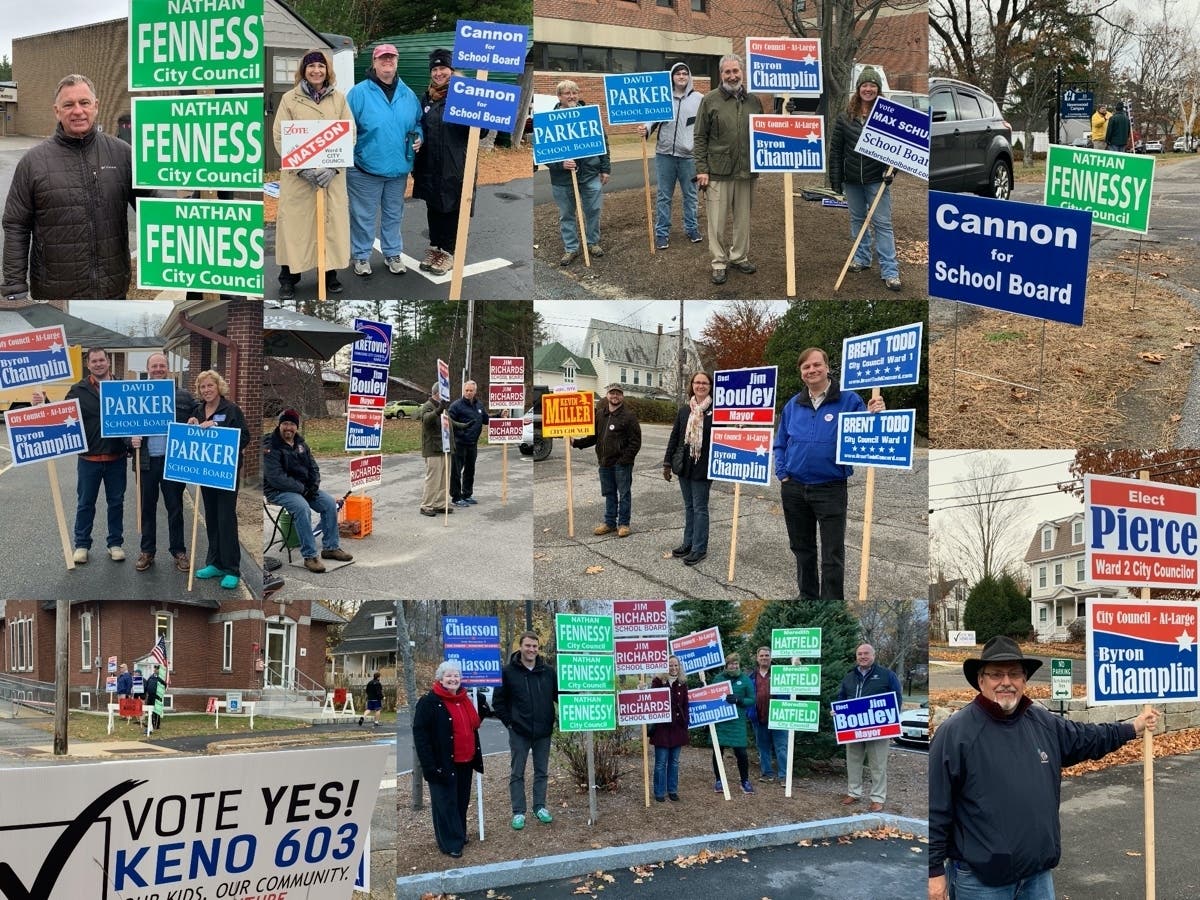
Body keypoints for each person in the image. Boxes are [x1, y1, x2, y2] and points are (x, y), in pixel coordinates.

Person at [929, 636, 1159, 900]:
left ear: (1024, 680)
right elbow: (935, 807)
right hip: (981, 882)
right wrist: (933, 872)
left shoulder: (1041, 722)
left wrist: (1133, 727)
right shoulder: (956, 733)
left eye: (1015, 673)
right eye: (996, 674)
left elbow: (1087, 737)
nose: (1006, 681)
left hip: (1037, 878)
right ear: (981, 680)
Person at [2, 74, 136, 301]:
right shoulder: (33, 162)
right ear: (57, 111)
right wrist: (15, 286)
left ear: (96, 106)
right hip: (54, 295)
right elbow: (16, 225)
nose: (77, 111)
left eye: (84, 103)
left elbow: (154, 201)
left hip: (112, 291)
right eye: (68, 104)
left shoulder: (123, 154)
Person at [773, 347, 885, 601]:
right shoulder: (793, 405)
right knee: (802, 549)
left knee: (832, 553)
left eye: (816, 365)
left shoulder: (848, 400)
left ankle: (832, 602)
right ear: (801, 373)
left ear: (826, 367)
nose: (812, 370)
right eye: (806, 367)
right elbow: (779, 442)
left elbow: (867, 433)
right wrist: (782, 473)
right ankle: (808, 597)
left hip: (831, 488)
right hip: (795, 488)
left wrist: (875, 412)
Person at [272, 49, 352, 301]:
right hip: (299, 180)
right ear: (303, 70)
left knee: (330, 226)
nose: (316, 70)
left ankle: (329, 275)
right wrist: (300, 168)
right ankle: (288, 278)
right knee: (294, 229)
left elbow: (349, 133)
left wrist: (334, 167)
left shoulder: (338, 99)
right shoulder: (290, 99)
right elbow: (280, 136)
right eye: (311, 66)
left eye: (321, 66)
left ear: (328, 70)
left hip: (331, 178)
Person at [345, 44, 423, 277]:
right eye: (383, 58)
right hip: (364, 169)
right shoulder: (358, 93)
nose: (387, 61)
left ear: (397, 61)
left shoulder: (408, 94)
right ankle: (360, 256)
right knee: (362, 216)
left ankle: (392, 253)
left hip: (398, 169)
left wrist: (420, 136)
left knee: (393, 214)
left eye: (391, 58)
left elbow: (418, 123)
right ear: (374, 62)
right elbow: (346, 128)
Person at [829, 67, 902, 291]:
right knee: (857, 220)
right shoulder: (844, 119)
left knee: (882, 224)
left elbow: (898, 150)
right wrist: (835, 178)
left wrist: (891, 173)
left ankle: (890, 271)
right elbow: (836, 151)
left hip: (876, 180)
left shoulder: (886, 118)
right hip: (851, 180)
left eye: (872, 85)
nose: (868, 89)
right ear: (858, 88)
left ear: (878, 89)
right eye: (864, 85)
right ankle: (861, 259)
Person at [693, 54, 763, 285]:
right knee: (717, 221)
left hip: (747, 170)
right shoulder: (710, 100)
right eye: (727, 72)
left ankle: (739, 256)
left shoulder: (754, 101)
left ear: (742, 72)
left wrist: (786, 111)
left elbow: (764, 132)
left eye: (736, 71)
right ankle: (719, 262)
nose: (732, 76)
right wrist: (702, 169)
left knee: (743, 219)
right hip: (718, 170)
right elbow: (700, 136)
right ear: (721, 74)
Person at [262, 408, 354, 573]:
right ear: (279, 425)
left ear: (296, 426)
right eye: (285, 423)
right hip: (278, 490)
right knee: (302, 508)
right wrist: (302, 489)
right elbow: (276, 477)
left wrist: (314, 485)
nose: (288, 427)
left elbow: (313, 467)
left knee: (328, 503)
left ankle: (331, 547)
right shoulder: (270, 446)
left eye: (292, 424)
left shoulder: (301, 444)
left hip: (303, 488)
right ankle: (310, 556)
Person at [129, 353, 196, 574]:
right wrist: (130, 440)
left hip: (173, 462)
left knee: (175, 508)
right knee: (147, 507)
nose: (159, 369)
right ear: (148, 369)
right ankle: (147, 551)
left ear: (169, 369)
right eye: (154, 365)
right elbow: (120, 424)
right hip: (146, 461)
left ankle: (179, 551)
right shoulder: (136, 396)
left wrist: (198, 421)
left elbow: (199, 415)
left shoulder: (183, 397)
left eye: (162, 365)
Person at [412, 661, 483, 859]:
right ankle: (450, 843)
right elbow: (421, 735)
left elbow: (474, 724)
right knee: (445, 803)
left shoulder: (464, 699)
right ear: (440, 679)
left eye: (456, 676)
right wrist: (429, 766)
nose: (453, 679)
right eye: (448, 676)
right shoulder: (429, 702)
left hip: (465, 761)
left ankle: (459, 833)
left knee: (461, 800)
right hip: (441, 763)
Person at [188, 370, 250, 590]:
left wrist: (216, 428)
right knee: (211, 517)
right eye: (202, 387)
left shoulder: (231, 409)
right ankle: (214, 562)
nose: (206, 390)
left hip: (226, 473)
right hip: (206, 472)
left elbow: (244, 436)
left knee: (225, 518)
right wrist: (193, 425)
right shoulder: (198, 410)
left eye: (210, 386)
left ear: (218, 387)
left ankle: (232, 568)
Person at [66, 347, 129, 564]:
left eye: (102, 360)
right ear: (88, 364)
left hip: (116, 459)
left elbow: (134, 418)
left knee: (116, 502)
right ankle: (82, 544)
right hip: (88, 460)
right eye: (94, 361)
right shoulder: (78, 390)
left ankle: (115, 543)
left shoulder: (122, 388)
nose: (98, 364)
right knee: (85, 503)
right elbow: (61, 417)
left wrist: (133, 440)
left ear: (108, 362)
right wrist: (42, 404)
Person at [412, 48, 471, 276]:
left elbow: (482, 132)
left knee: (451, 208)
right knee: (433, 207)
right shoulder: (427, 96)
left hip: (455, 163)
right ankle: (434, 247)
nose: (438, 73)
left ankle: (448, 252)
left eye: (442, 68)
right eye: (435, 69)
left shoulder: (464, 95)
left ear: (452, 70)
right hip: (429, 163)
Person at [492, 631, 558, 830]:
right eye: (528, 646)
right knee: (517, 773)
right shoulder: (507, 672)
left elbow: (559, 695)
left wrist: (582, 692)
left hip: (543, 732)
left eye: (535, 646)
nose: (532, 650)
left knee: (541, 772)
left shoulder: (548, 672)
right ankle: (518, 812)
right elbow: (498, 702)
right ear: (520, 647)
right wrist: (510, 723)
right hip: (519, 732)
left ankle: (539, 807)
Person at [547, 80, 610, 266]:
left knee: (593, 211)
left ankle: (592, 242)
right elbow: (543, 153)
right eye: (567, 93)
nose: (572, 96)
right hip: (562, 179)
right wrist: (560, 163)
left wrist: (605, 168)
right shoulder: (550, 120)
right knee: (566, 214)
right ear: (559, 96)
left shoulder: (590, 116)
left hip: (590, 174)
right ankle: (571, 248)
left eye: (574, 93)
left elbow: (603, 144)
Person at [644, 62, 703, 248]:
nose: (682, 77)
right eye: (678, 74)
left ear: (689, 76)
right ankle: (662, 232)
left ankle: (692, 228)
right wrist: (644, 129)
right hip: (664, 155)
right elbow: (651, 122)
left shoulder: (699, 99)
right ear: (672, 77)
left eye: (685, 73)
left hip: (689, 157)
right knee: (663, 196)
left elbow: (705, 126)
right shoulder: (662, 97)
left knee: (691, 195)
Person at [836, 643, 901, 811]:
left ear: (873, 655)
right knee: (853, 761)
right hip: (853, 728)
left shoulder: (887, 675)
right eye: (859, 654)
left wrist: (892, 721)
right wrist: (837, 711)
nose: (862, 656)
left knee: (878, 764)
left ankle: (878, 797)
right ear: (856, 656)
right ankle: (853, 792)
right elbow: (841, 697)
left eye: (866, 653)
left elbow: (897, 699)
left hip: (878, 728)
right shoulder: (849, 676)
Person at [572, 384, 642, 537]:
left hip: (621, 464)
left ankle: (624, 524)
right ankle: (609, 523)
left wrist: (625, 459)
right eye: (612, 393)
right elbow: (594, 437)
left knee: (624, 494)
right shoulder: (600, 415)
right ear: (607, 395)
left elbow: (635, 442)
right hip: (604, 462)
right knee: (609, 493)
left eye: (618, 394)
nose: (615, 396)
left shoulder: (629, 416)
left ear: (622, 396)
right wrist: (576, 443)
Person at [662, 370, 714, 565]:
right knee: (689, 506)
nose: (700, 386)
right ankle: (688, 543)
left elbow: (725, 435)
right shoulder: (685, 410)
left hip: (703, 466)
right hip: (684, 465)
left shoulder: (716, 411)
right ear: (692, 385)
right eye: (697, 382)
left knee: (700, 508)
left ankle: (699, 548)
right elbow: (675, 437)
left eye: (705, 383)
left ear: (710, 387)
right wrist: (667, 463)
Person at [711, 652, 756, 794]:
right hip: (721, 721)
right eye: (731, 663)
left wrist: (740, 700)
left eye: (736, 663)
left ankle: (745, 781)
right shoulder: (719, 678)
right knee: (718, 751)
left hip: (737, 722)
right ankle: (719, 780)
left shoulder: (745, 679)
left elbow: (752, 699)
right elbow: (711, 696)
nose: (734, 666)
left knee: (741, 753)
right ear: (726, 665)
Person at [747, 646, 789, 784]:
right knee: (763, 747)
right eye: (762, 656)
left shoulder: (780, 673)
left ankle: (784, 776)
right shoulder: (751, 676)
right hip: (759, 718)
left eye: (767, 655)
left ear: (771, 657)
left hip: (779, 717)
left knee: (781, 747)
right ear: (757, 658)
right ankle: (767, 774)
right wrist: (749, 712)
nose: (764, 658)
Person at [650, 655, 690, 802]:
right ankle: (659, 792)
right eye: (670, 665)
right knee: (661, 762)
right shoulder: (658, 682)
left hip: (678, 729)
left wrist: (685, 725)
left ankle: (672, 790)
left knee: (674, 761)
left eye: (676, 665)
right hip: (662, 729)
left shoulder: (682, 683)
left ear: (679, 667)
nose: (673, 668)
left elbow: (686, 705)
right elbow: (652, 699)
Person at [448, 380, 489, 508]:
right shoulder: (456, 406)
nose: (469, 392)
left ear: (475, 391)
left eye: (471, 390)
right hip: (459, 443)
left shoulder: (479, 405)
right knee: (456, 471)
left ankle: (467, 494)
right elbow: (449, 423)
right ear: (463, 391)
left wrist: (499, 416)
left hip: (473, 444)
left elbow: (486, 420)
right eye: (467, 390)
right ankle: (456, 497)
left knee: (470, 470)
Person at [418, 384, 454, 517]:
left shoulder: (443, 407)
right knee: (433, 478)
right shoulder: (428, 406)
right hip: (433, 448)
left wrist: (463, 426)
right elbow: (427, 420)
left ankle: (440, 503)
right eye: (445, 392)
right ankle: (426, 505)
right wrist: (439, 410)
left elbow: (449, 422)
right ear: (437, 393)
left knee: (445, 478)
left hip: (444, 447)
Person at [143, 664, 164, 730]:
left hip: (157, 696)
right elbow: (147, 685)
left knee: (156, 711)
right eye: (155, 668)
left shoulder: (161, 678)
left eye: (157, 669)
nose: (155, 670)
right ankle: (150, 724)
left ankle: (157, 725)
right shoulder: (151, 677)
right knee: (150, 711)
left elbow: (164, 686)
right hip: (150, 696)